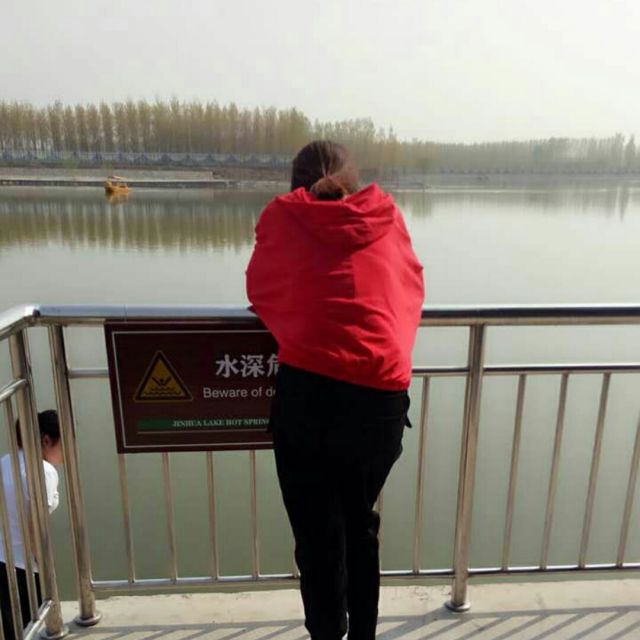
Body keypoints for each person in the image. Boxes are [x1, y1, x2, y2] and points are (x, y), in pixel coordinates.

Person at [246, 140, 424, 640]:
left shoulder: (284, 218)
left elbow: (260, 287)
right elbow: (411, 286)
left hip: (311, 399)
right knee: (359, 525)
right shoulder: (387, 217)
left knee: (317, 537)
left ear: (293, 183)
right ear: (354, 179)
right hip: (380, 402)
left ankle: (328, 633)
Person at [0, 410, 62, 640]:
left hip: (2, 556)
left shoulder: (6, 461)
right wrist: (44, 564)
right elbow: (34, 524)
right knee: (31, 624)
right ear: (46, 441)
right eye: (64, 443)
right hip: (23, 563)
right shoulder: (44, 471)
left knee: (13, 625)